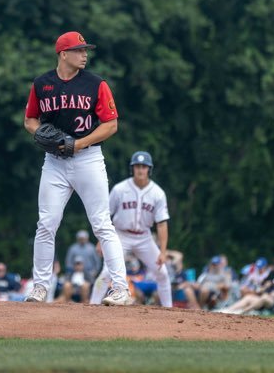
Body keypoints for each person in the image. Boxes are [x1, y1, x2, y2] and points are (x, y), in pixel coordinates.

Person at [23, 31, 131, 306]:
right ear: (63, 54)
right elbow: (30, 120)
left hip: (88, 159)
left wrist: (79, 144)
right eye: (79, 50)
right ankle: (40, 286)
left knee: (102, 224)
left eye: (85, 50)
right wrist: (41, 135)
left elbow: (111, 125)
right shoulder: (42, 84)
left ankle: (120, 288)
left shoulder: (96, 84)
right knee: (46, 224)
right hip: (55, 162)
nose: (85, 54)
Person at [90, 151, 172, 307]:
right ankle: (93, 304)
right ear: (132, 168)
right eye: (137, 166)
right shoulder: (120, 189)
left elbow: (161, 223)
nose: (140, 170)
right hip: (120, 235)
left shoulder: (158, 193)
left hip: (144, 237)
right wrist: (101, 240)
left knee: (162, 273)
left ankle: (169, 308)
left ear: (149, 169)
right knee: (107, 272)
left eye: (144, 166)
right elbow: (105, 215)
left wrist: (163, 251)